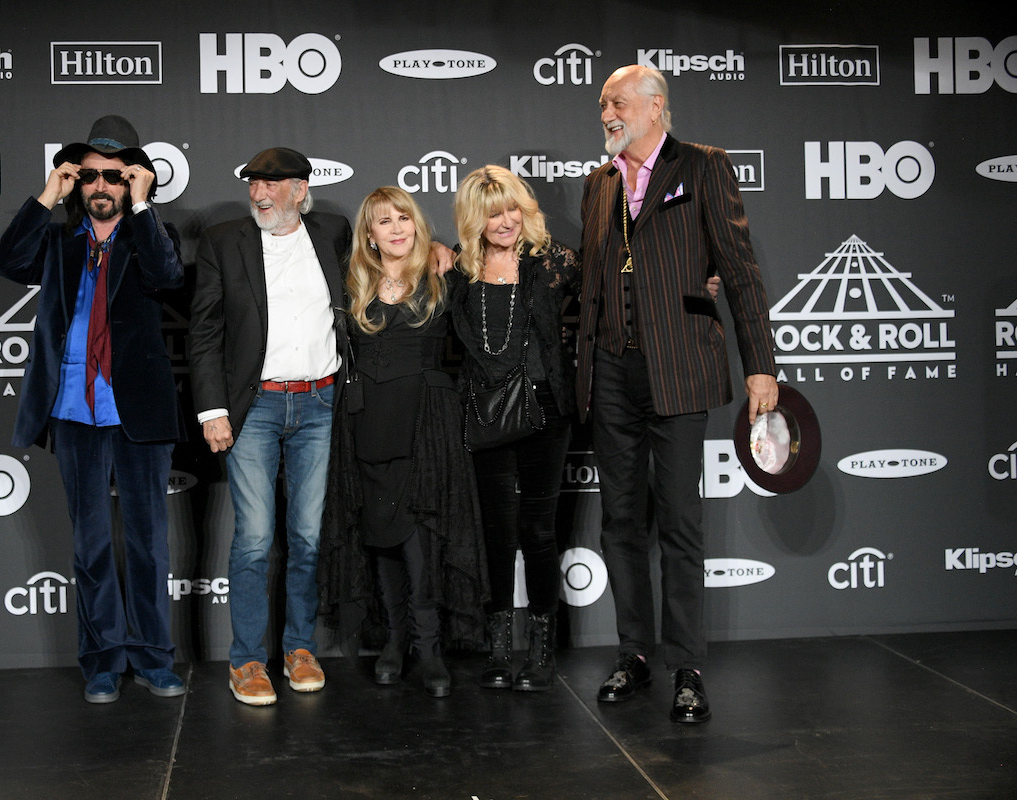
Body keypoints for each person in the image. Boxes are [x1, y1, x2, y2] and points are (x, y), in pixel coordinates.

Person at [577, 64, 778, 723]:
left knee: (681, 524)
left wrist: (761, 366)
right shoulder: (599, 184)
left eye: (618, 101)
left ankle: (686, 667)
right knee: (620, 522)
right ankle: (633, 654)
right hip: (612, 371)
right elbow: (596, 285)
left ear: (655, 107)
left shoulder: (703, 166)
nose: (606, 111)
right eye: (603, 102)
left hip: (681, 369)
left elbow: (740, 273)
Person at [0, 115, 187, 704]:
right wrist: (46, 195)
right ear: (78, 183)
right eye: (91, 175)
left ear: (133, 182)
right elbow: (6, 262)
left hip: (139, 412)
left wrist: (145, 207)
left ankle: (153, 657)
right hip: (74, 412)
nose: (102, 185)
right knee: (91, 544)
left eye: (116, 176)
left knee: (149, 544)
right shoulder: (57, 241)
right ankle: (101, 661)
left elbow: (168, 276)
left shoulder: (152, 234)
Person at [189, 147, 348, 706]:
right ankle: (248, 661)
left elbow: (387, 266)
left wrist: (438, 257)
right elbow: (204, 331)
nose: (259, 194)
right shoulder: (223, 241)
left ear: (301, 190)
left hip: (321, 404)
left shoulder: (333, 231)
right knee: (255, 539)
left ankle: (299, 649)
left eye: (272, 185)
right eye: (254, 183)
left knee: (307, 537)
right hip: (253, 409)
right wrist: (213, 410)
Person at [319, 187, 488, 698]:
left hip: (426, 426)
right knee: (381, 539)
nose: (395, 228)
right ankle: (393, 641)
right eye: (383, 221)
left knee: (421, 541)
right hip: (366, 425)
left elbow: (510, 269)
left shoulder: (444, 275)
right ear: (368, 233)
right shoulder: (351, 285)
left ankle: (429, 646)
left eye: (403, 219)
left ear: (417, 225)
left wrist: (447, 251)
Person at [449, 166, 579, 692]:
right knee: (497, 534)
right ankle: (499, 647)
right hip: (486, 411)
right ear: (473, 220)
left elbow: (619, 288)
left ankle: (542, 651)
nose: (503, 222)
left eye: (510, 210)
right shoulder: (458, 273)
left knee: (539, 531)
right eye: (491, 213)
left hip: (546, 408)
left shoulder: (554, 263)